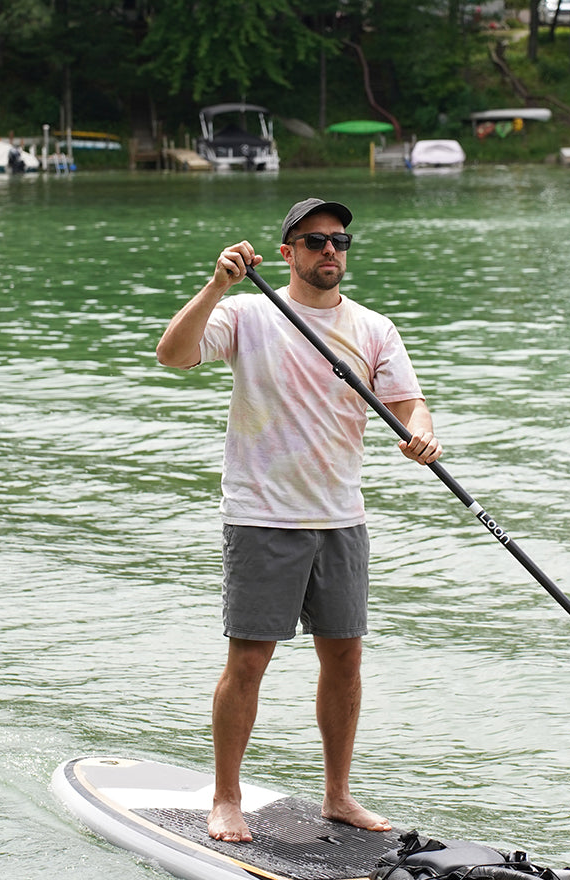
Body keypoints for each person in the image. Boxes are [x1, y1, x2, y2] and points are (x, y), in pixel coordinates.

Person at [156, 197, 442, 842]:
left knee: (345, 659)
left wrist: (421, 434)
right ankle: (226, 797)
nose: (330, 252)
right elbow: (173, 355)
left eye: (340, 241)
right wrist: (216, 284)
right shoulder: (247, 312)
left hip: (342, 516)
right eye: (314, 242)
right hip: (262, 516)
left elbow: (408, 401)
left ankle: (337, 796)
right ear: (287, 252)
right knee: (250, 660)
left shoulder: (374, 328)